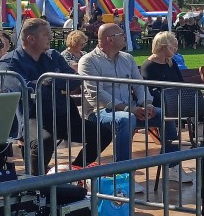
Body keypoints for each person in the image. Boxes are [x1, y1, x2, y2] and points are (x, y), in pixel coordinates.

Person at [79, 23, 186, 188]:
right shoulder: (88, 61)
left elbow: (139, 84)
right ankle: (123, 176)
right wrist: (129, 109)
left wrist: (147, 104)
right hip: (99, 111)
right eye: (121, 34)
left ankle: (173, 167)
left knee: (164, 115)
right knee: (126, 119)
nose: (125, 36)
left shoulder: (127, 58)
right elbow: (97, 94)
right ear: (110, 39)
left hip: (131, 108)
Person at [0, 18, 112, 174]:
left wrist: (48, 81)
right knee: (44, 141)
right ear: (31, 39)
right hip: (33, 117)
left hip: (63, 114)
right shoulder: (9, 61)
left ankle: (75, 172)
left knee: (103, 133)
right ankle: (36, 182)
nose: (50, 38)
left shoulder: (53, 55)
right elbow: (23, 89)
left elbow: (75, 80)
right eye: (46, 34)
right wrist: (57, 84)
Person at [139, 31, 195, 183]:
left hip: (175, 102)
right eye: (173, 45)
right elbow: (151, 92)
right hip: (158, 105)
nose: (176, 47)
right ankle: (173, 167)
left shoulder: (171, 63)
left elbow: (180, 83)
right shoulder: (149, 66)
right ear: (163, 46)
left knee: (202, 111)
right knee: (168, 117)